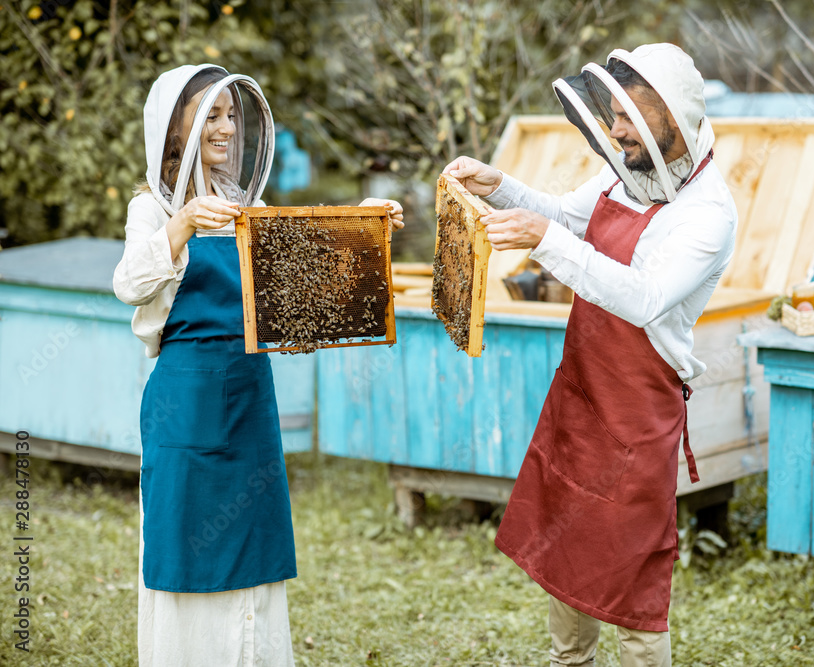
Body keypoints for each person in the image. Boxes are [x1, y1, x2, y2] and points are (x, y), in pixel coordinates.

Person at [444, 43, 737, 667]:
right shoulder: (624, 172)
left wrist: (544, 240)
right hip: (582, 395)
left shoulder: (707, 215)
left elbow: (644, 297)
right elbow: (559, 217)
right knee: (568, 547)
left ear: (673, 115)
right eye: (614, 112)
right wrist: (501, 187)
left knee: (635, 579)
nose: (617, 128)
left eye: (631, 115)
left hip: (638, 413)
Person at [113, 64, 403, 666]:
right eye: (210, 115)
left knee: (253, 545)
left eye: (230, 115)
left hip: (250, 395)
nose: (224, 127)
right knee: (185, 546)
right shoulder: (152, 208)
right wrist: (183, 223)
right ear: (175, 129)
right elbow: (130, 284)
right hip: (186, 403)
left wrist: (364, 226)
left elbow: (299, 288)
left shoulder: (249, 205)